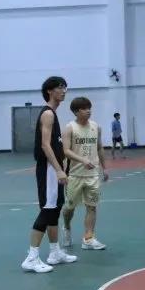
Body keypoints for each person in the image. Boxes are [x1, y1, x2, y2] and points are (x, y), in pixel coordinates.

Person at [22, 76, 77, 273]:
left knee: (55, 209)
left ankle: (55, 252)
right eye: (60, 87)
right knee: (47, 209)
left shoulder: (53, 113)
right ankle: (31, 258)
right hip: (48, 169)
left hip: (54, 168)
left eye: (65, 87)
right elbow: (45, 145)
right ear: (49, 91)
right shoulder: (47, 114)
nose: (64, 91)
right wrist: (59, 169)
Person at [61, 97, 108, 251]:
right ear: (76, 112)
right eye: (84, 108)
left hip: (93, 175)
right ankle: (66, 227)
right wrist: (82, 160)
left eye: (89, 108)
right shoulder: (69, 128)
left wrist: (104, 168)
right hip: (74, 175)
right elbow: (66, 150)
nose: (88, 111)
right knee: (69, 208)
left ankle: (88, 238)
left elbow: (99, 147)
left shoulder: (96, 127)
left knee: (92, 207)